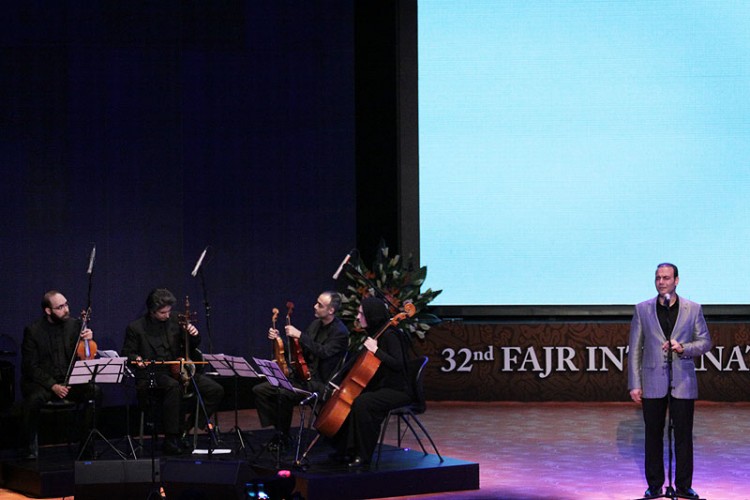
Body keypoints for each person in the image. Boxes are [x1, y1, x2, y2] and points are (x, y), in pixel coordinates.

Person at [628, 263, 712, 499]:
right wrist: (635, 383)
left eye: (666, 278)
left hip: (682, 381)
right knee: (653, 435)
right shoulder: (642, 309)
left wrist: (683, 347)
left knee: (683, 436)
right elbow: (634, 349)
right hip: (652, 380)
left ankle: (683, 486)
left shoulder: (692, 309)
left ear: (676, 280)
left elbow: (705, 342)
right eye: (658, 278)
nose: (661, 282)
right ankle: (655, 485)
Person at [122, 288, 224, 455]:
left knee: (215, 390)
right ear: (152, 311)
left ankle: (186, 428)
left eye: (169, 311)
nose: (167, 315)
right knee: (173, 387)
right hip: (153, 374)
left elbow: (191, 345)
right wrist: (137, 359)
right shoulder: (136, 328)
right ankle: (171, 438)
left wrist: (193, 334)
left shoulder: (176, 319)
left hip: (179, 370)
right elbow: (128, 354)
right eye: (163, 313)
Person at [252, 291, 349, 449]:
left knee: (283, 393)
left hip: (320, 382)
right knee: (260, 390)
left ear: (331, 310)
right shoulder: (315, 324)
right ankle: (280, 431)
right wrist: (279, 340)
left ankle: (282, 436)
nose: (315, 306)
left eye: (320, 305)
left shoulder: (340, 332)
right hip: (302, 376)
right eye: (316, 302)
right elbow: (299, 351)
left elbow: (324, 352)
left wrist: (300, 335)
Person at [331, 296, 413, 468]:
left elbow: (398, 364)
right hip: (382, 386)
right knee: (353, 399)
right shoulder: (376, 333)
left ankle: (363, 454)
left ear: (372, 315)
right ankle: (347, 450)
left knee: (364, 403)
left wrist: (376, 350)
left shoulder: (390, 335)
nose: (358, 317)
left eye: (361, 314)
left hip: (399, 390)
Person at [20, 290, 97, 459]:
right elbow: (30, 366)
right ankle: (30, 447)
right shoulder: (33, 331)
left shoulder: (75, 326)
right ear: (48, 311)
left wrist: (88, 340)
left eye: (66, 304)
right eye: (60, 307)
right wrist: (52, 385)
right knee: (33, 399)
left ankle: (86, 445)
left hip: (69, 381)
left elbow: (85, 356)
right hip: (45, 383)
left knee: (94, 392)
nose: (66, 309)